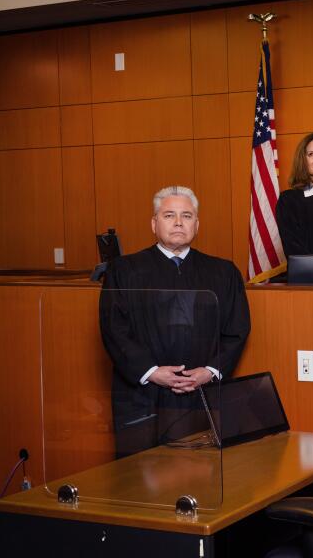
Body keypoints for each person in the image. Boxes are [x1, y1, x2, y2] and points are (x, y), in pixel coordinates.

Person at [99, 186, 251, 457]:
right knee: (139, 481)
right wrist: (152, 372)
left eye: (187, 215)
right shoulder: (124, 270)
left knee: (201, 480)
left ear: (197, 224)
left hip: (201, 394)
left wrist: (210, 371)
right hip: (143, 396)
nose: (179, 222)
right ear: (154, 223)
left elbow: (236, 330)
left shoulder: (223, 272)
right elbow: (114, 330)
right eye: (169, 215)